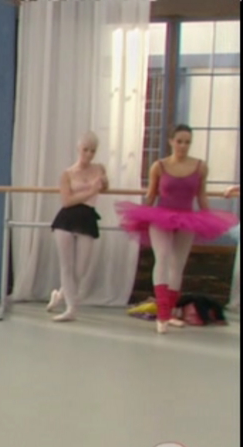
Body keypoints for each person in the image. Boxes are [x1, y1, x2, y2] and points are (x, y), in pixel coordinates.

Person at [115, 125, 238, 334]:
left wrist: (208, 217)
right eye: (179, 141)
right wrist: (142, 215)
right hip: (161, 216)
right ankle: (162, 312)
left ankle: (170, 311)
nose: (183, 146)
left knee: (177, 264)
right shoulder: (159, 166)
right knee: (162, 257)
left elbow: (201, 195)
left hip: (187, 218)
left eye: (187, 142)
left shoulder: (200, 167)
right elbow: (152, 194)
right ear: (171, 142)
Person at [46, 131, 107, 322]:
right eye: (85, 150)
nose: (89, 154)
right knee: (67, 266)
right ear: (78, 149)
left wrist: (103, 184)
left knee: (81, 269)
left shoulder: (99, 168)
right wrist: (91, 191)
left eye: (93, 151)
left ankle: (59, 295)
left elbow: (104, 188)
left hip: (87, 219)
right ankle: (71, 308)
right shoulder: (68, 173)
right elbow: (66, 201)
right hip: (66, 219)